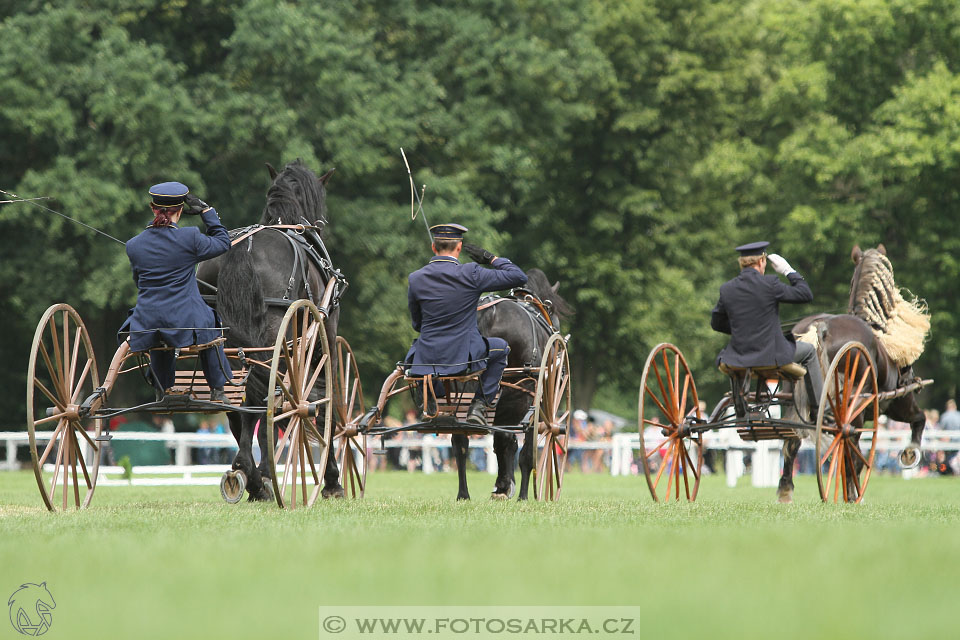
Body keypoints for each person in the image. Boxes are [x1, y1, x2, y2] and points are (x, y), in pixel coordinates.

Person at [118, 182, 233, 404]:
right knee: (211, 322)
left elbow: (138, 281)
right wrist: (208, 213)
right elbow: (222, 242)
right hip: (186, 319)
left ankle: (162, 390)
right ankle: (218, 390)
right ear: (180, 211)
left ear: (153, 208)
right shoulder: (190, 237)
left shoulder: (133, 245)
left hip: (145, 320)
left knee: (160, 332)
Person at [405, 223, 527, 425]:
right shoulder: (472, 273)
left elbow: (417, 324)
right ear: (459, 247)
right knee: (502, 348)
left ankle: (430, 403)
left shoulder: (416, 278)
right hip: (464, 359)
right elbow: (519, 277)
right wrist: (490, 258)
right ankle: (478, 405)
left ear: (433, 247)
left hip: (426, 358)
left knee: (421, 351)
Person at [711, 241, 823, 407]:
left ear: (741, 263)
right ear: (761, 261)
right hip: (772, 355)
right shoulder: (770, 283)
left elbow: (716, 323)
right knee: (810, 351)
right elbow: (805, 294)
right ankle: (820, 410)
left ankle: (741, 405)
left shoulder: (727, 288)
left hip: (738, 357)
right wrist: (788, 271)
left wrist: (741, 330)